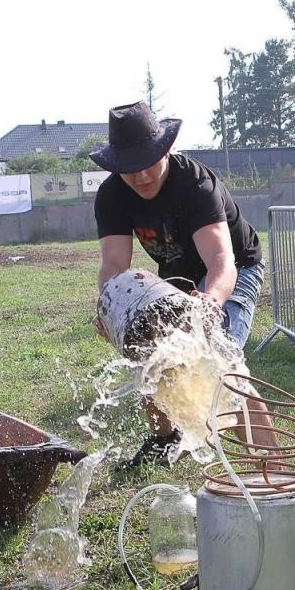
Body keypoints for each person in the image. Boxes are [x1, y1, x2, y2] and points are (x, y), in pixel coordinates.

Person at [90, 102, 265, 468]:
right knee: (149, 348)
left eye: (147, 162)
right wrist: (109, 309)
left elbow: (221, 261)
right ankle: (164, 438)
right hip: (176, 280)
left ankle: (269, 458)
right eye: (128, 168)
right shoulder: (111, 196)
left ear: (164, 149)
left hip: (235, 269)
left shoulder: (195, 185)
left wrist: (211, 302)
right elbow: (115, 264)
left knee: (218, 352)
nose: (139, 176)